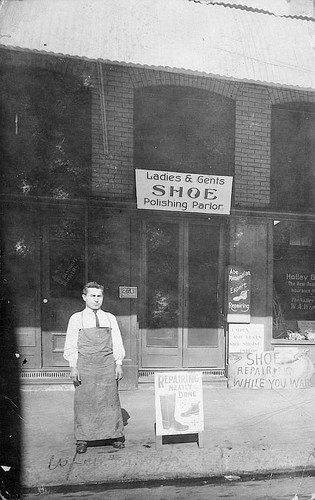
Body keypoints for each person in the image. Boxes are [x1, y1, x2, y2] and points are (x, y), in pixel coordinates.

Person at [63, 281, 125, 454]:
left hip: (107, 365)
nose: (96, 300)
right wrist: (73, 366)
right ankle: (83, 438)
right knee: (84, 401)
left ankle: (114, 435)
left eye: (99, 296)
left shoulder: (110, 318)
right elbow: (71, 344)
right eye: (92, 296)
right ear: (84, 297)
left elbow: (117, 342)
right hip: (85, 365)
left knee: (110, 399)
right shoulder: (76, 318)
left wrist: (118, 363)